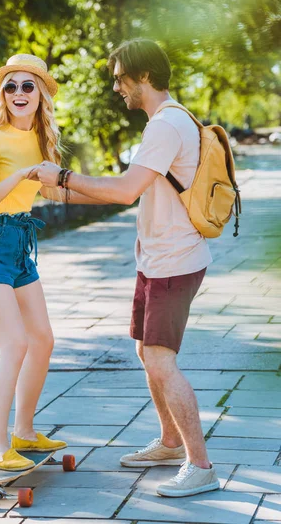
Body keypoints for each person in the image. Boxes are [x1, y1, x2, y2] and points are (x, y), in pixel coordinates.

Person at [34, 39, 220, 498]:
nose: (116, 86)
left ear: (144, 77)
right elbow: (127, 190)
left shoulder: (166, 125)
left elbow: (124, 190)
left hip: (174, 261)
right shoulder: (165, 122)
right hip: (158, 259)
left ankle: (200, 466)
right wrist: (57, 194)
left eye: (120, 77)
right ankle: (171, 443)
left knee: (161, 360)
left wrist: (60, 176)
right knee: (146, 353)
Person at [0, 54, 69, 471]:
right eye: (11, 86)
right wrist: (21, 175)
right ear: (2, 94)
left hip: (19, 242)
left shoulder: (42, 140)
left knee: (42, 339)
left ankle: (24, 431)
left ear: (41, 93)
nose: (19, 93)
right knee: (14, 343)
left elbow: (56, 192)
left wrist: (123, 191)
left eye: (28, 86)